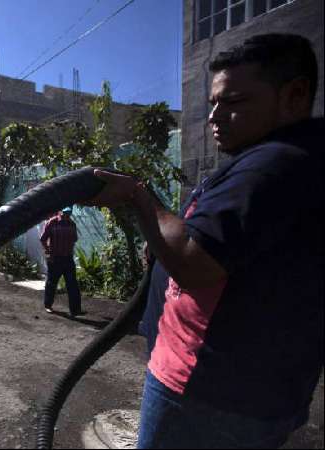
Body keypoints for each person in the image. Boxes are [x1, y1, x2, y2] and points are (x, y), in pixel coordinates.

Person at [85, 33, 323, 448]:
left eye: (232, 102)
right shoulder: (286, 160)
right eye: (213, 103)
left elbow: (195, 264)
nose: (215, 116)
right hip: (240, 392)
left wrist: (139, 197)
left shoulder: (272, 164)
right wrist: (162, 248)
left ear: (295, 95)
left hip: (207, 397)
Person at [40, 206, 84, 316]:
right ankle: (48, 305)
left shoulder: (72, 224)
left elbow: (74, 239)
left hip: (68, 258)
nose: (66, 216)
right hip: (55, 258)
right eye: (65, 214)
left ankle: (75, 310)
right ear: (60, 212)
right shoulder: (52, 222)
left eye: (68, 214)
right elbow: (43, 239)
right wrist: (48, 252)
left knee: (72, 284)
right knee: (52, 283)